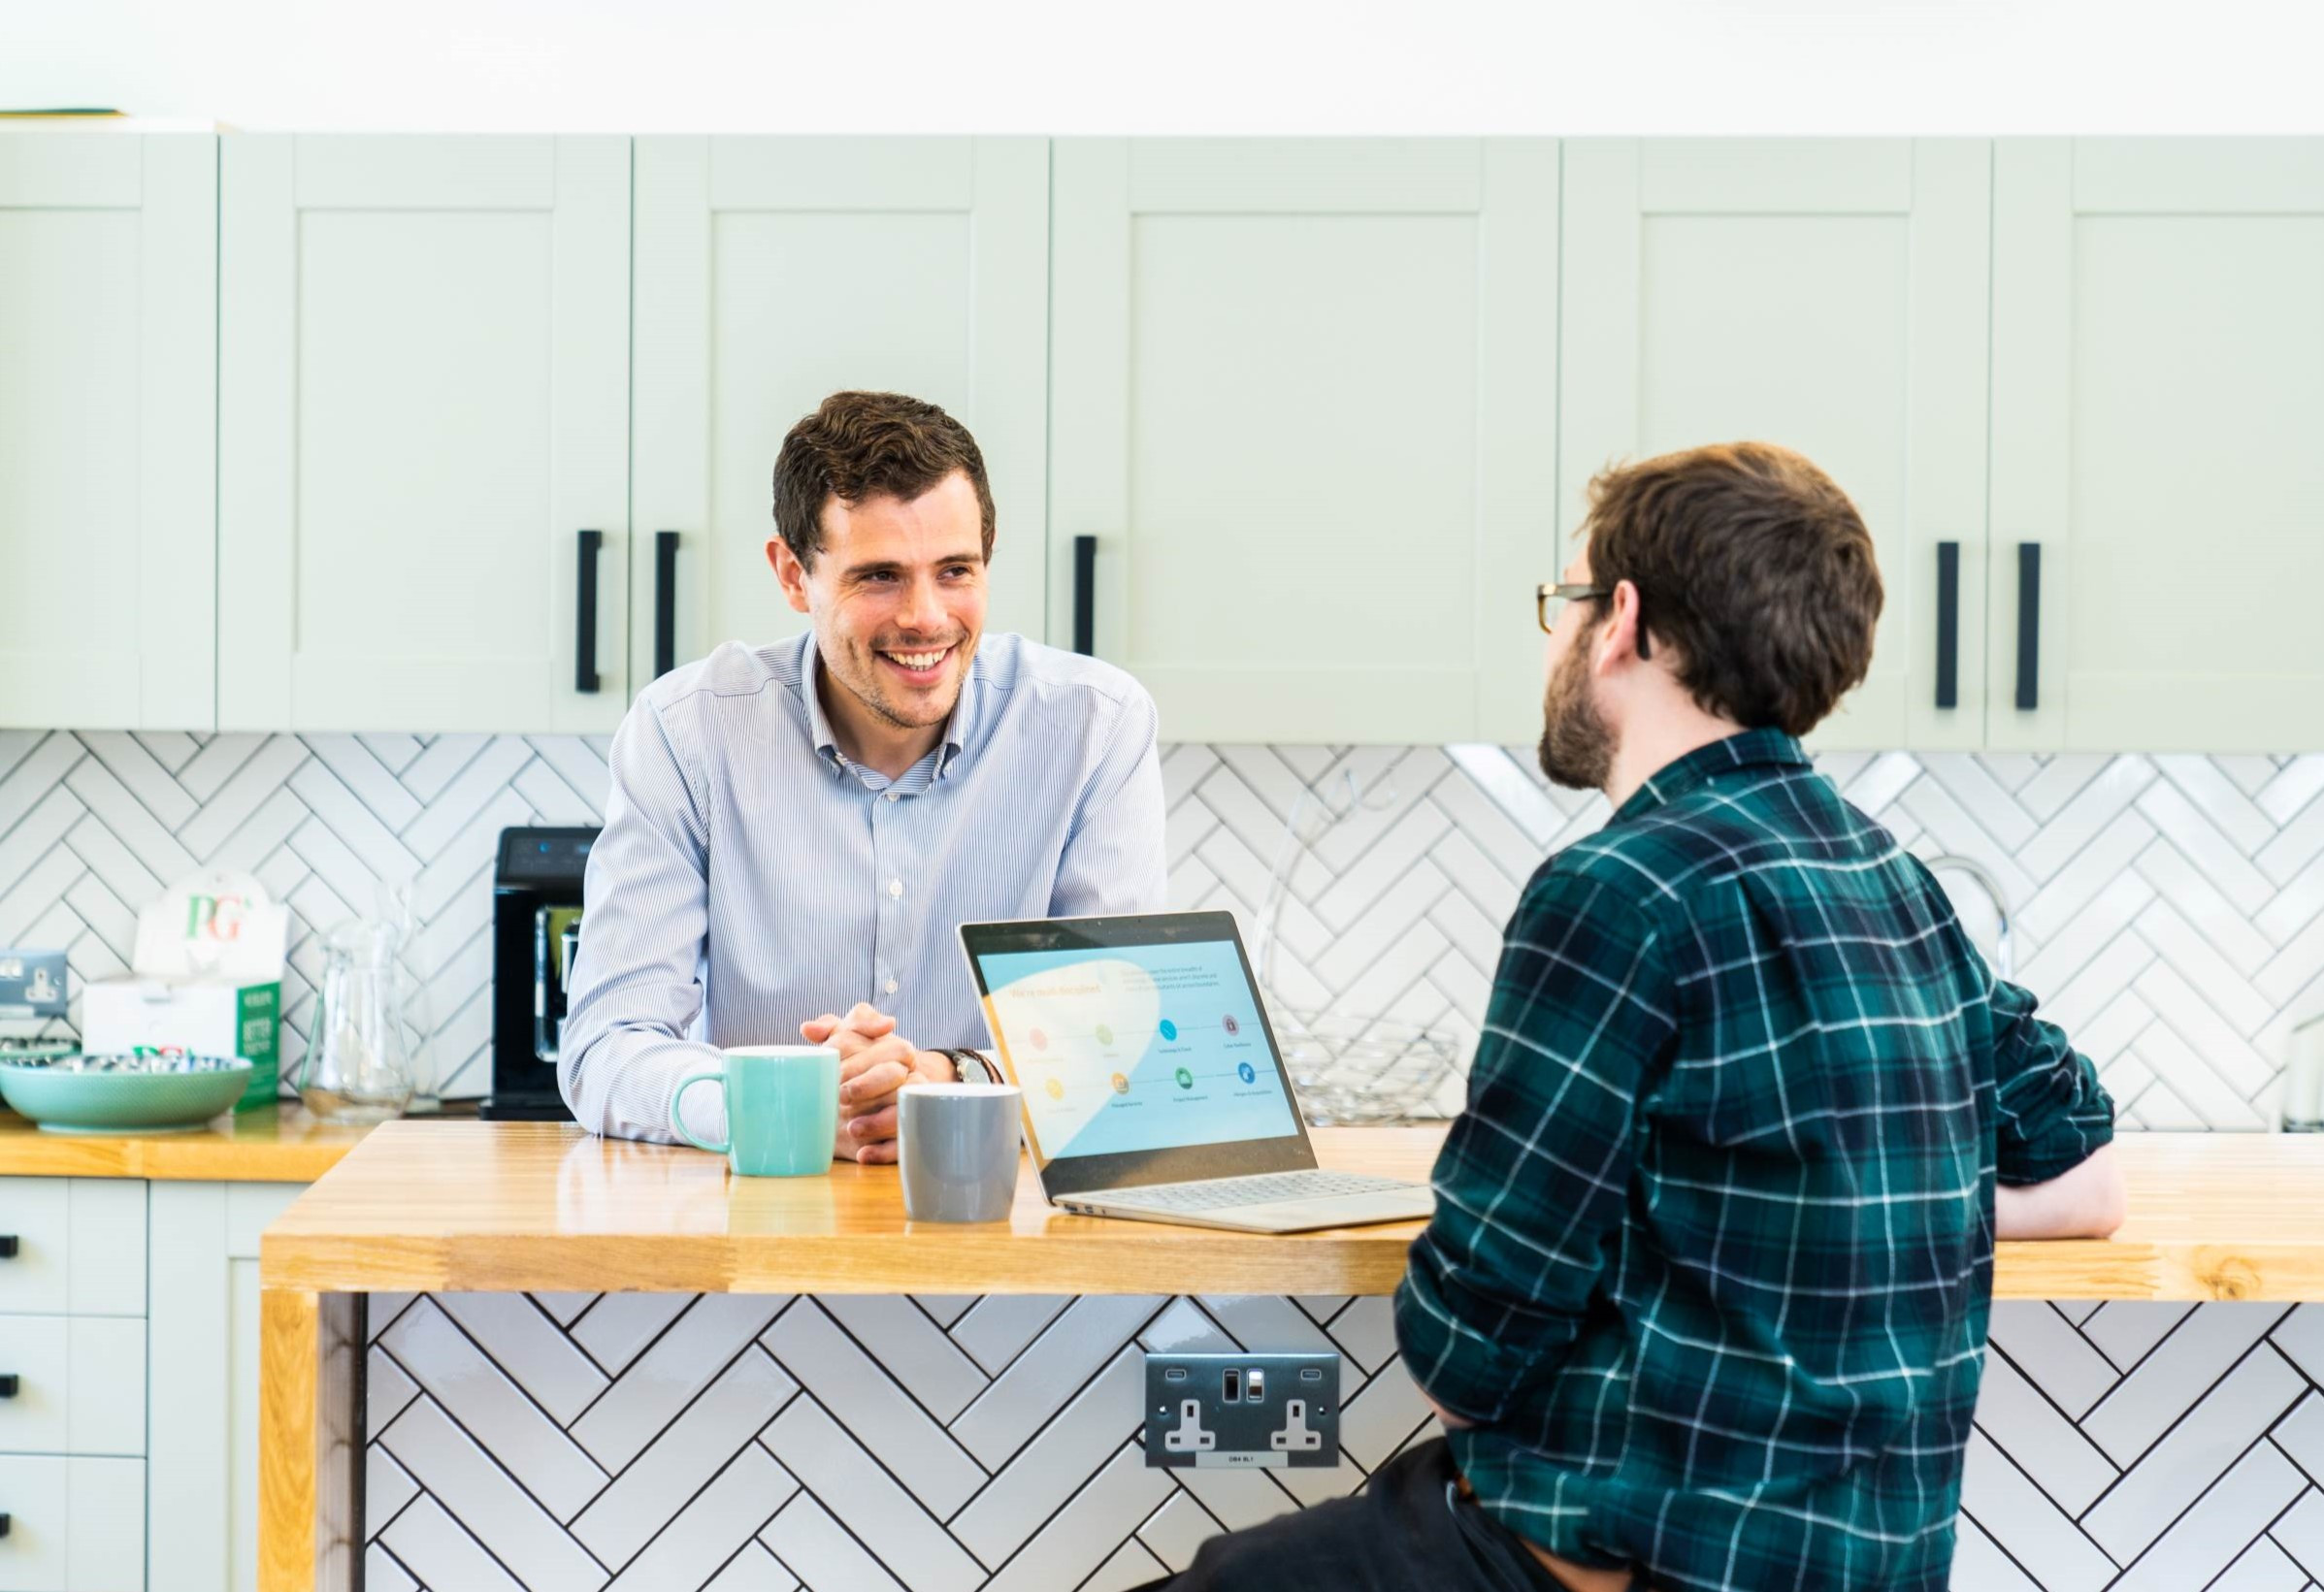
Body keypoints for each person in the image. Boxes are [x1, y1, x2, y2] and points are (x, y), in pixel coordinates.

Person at [1142, 442, 2124, 1592]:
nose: (1554, 641)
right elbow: (2088, 1180)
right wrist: (1808, 1206)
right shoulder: (1892, 879)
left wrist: (1738, 1217)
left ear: (1622, 622)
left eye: (1562, 605)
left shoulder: (1618, 894)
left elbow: (1464, 1356)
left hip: (1624, 1568)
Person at [560, 390, 1165, 1157]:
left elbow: (1121, 1040)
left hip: (1016, 1243)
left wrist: (940, 1080)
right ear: (791, 574)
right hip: (760, 1240)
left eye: (954, 570)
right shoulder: (687, 732)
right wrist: (788, 1105)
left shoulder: (1093, 725)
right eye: (879, 575)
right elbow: (606, 1048)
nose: (924, 616)